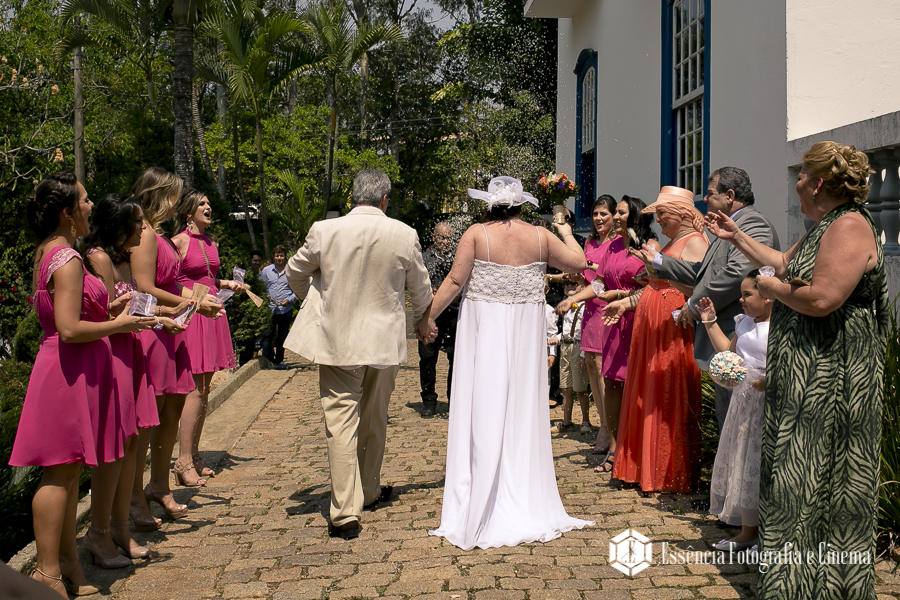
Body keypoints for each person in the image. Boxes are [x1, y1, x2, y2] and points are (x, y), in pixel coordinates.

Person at [706, 142, 886, 599]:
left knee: (822, 481)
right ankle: (793, 584)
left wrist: (772, 288)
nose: (798, 181)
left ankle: (825, 587)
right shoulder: (824, 225)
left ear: (819, 182)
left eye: (802, 174)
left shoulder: (848, 226)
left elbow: (822, 298)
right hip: (808, 379)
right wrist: (737, 238)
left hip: (835, 380)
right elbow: (787, 263)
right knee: (794, 480)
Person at [417, 176, 593, 550]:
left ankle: (483, 491)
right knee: (521, 407)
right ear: (520, 205)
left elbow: (453, 280)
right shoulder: (542, 237)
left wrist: (427, 317)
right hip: (525, 330)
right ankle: (521, 489)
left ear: (490, 205)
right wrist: (563, 228)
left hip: (486, 327)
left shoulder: (477, 233)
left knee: (483, 402)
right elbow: (580, 261)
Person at [9, 172, 149, 596]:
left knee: (69, 472)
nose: (92, 207)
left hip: (70, 368)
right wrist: (119, 323)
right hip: (68, 371)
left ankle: (66, 562)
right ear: (68, 213)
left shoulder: (52, 251)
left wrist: (111, 308)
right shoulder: (68, 258)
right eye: (85, 201)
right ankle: (47, 571)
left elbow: (67, 316)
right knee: (59, 472)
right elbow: (69, 329)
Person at [284, 169, 433, 540]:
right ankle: (367, 491)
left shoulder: (325, 230)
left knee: (340, 424)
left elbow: (293, 272)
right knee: (375, 419)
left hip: (337, 340)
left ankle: (344, 511)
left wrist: (315, 300)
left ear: (353, 197)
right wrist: (420, 322)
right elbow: (421, 288)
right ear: (384, 200)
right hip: (383, 342)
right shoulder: (403, 233)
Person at [638, 167, 779, 434]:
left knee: (739, 426)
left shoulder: (752, 224)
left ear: (730, 195)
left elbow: (738, 273)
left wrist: (693, 305)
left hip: (738, 336)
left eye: (711, 194)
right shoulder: (729, 227)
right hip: (726, 338)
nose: (705, 200)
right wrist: (659, 261)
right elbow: (703, 273)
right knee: (727, 418)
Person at [129, 167, 218, 527]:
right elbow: (145, 287)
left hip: (173, 329)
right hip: (156, 330)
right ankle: (137, 497)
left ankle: (159, 486)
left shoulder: (160, 235)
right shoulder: (145, 233)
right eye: (173, 196)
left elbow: (172, 282)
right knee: (151, 417)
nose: (176, 203)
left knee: (172, 407)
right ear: (159, 194)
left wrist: (198, 300)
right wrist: (189, 303)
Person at [83, 194, 169, 566]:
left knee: (133, 442)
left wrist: (167, 314)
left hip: (131, 349)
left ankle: (120, 526)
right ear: (120, 225)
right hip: (113, 354)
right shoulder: (98, 258)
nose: (145, 229)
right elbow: (104, 313)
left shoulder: (120, 258)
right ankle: (100, 531)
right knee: (116, 446)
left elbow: (135, 303)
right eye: (139, 222)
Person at [609, 186, 708, 493]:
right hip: (651, 325)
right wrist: (627, 302)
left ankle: (668, 471)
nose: (658, 220)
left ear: (681, 213)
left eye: (663, 213)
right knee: (647, 391)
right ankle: (642, 467)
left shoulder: (695, 242)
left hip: (672, 327)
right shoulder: (671, 241)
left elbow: (699, 285)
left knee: (666, 393)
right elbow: (655, 284)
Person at [558, 196, 660, 475]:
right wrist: (575, 299)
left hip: (638, 323)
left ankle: (637, 451)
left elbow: (657, 287)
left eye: (620, 212)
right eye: (615, 211)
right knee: (611, 384)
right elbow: (601, 284)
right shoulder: (613, 246)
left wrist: (624, 296)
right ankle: (616, 450)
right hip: (613, 324)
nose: (615, 216)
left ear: (635, 217)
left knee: (634, 388)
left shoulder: (650, 247)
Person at [696, 271, 772, 551]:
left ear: (769, 297)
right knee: (745, 460)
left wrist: (769, 380)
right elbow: (729, 352)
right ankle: (748, 530)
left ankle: (769, 530)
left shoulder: (780, 327)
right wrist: (709, 322)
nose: (741, 299)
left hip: (769, 401)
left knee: (762, 461)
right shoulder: (745, 323)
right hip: (745, 401)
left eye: (748, 294)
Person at [173, 189, 243, 486]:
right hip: (194, 314)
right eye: (202, 204)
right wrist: (194, 301)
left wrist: (227, 283)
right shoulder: (178, 241)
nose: (208, 207)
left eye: (209, 203)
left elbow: (209, 277)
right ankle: (183, 460)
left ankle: (195, 455)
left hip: (213, 312)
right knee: (195, 388)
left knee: (205, 387)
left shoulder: (211, 242)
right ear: (189, 212)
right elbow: (172, 281)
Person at [419, 222, 458, 417]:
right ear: (434, 238)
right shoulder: (424, 259)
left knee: (456, 358)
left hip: (454, 314)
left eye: (449, 238)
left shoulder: (459, 259)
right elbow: (416, 285)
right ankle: (428, 400)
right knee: (427, 357)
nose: (445, 241)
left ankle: (454, 399)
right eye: (442, 237)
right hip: (431, 315)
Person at [549, 281, 592, 435]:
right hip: (565, 347)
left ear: (582, 287)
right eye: (566, 284)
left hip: (578, 347)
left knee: (580, 388)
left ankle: (586, 421)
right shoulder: (566, 308)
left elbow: (585, 330)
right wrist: (558, 339)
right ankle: (566, 422)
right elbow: (568, 331)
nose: (570, 286)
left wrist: (582, 354)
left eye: (574, 283)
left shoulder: (584, 306)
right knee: (566, 387)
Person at [259, 245, 296, 367]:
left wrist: (289, 300)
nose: (279, 258)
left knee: (282, 336)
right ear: (273, 256)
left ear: (285, 257)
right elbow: (261, 286)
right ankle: (267, 360)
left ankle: (279, 360)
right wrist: (266, 297)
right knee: (267, 335)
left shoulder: (291, 271)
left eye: (281, 255)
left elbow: (298, 290)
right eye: (277, 255)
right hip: (270, 308)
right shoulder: (267, 271)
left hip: (285, 309)